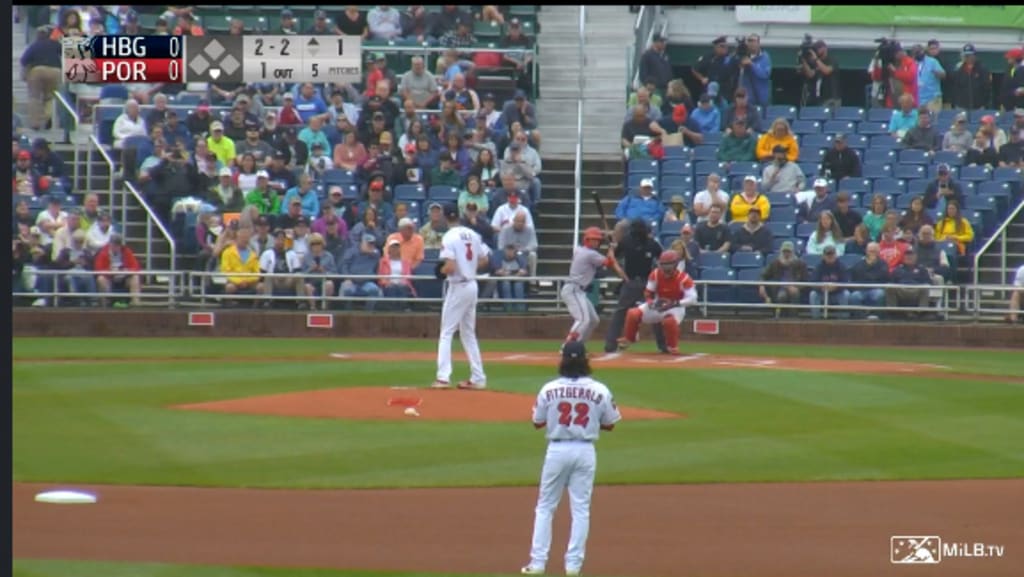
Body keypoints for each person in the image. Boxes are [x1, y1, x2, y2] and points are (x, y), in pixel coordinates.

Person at [520, 340, 621, 577]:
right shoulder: (600, 389)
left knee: (545, 507)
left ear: (563, 360)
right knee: (581, 509)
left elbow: (537, 422)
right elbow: (610, 424)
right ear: (586, 360)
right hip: (585, 450)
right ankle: (573, 566)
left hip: (557, 450)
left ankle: (537, 564)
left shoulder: (549, 388)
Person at [432, 203, 491, 390]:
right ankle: (478, 377)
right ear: (458, 215)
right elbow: (485, 260)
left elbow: (448, 267)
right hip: (472, 285)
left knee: (447, 332)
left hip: (458, 286)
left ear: (444, 217)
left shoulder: (449, 236)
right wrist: (468, 266)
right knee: (468, 333)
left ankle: (443, 377)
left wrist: (440, 271)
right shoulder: (472, 234)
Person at [602, 220, 667, 354]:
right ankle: (663, 345)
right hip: (646, 283)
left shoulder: (626, 242)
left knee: (620, 313)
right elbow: (663, 259)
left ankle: (610, 344)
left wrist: (612, 246)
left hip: (634, 282)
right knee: (656, 313)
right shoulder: (651, 243)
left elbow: (612, 257)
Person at [617, 251, 698, 355]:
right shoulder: (655, 274)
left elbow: (693, 298)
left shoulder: (684, 278)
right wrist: (650, 302)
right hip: (658, 303)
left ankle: (672, 346)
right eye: (663, 264)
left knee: (669, 322)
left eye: (669, 264)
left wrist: (674, 303)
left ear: (676, 264)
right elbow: (648, 291)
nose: (665, 268)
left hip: (675, 307)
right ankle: (630, 338)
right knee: (633, 313)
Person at [562, 227, 626, 346]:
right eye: (592, 240)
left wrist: (610, 244)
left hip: (578, 291)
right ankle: (568, 347)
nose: (596, 242)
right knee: (583, 320)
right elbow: (609, 262)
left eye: (597, 240)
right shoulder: (589, 254)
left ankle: (579, 346)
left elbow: (606, 260)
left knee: (593, 320)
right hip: (573, 290)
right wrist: (612, 247)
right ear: (586, 240)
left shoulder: (580, 250)